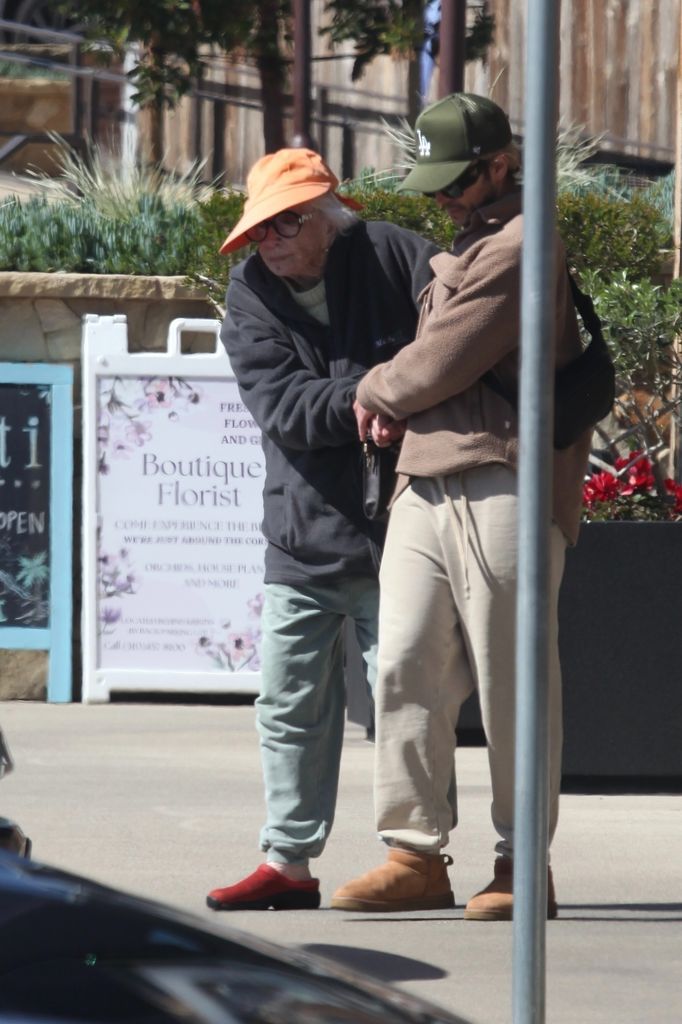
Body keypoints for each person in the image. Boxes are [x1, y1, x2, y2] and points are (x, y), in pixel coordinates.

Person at [331, 93, 591, 920]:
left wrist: (375, 388)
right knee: (403, 661)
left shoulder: (523, 245)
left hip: (506, 475)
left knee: (515, 679)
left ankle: (521, 863)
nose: (440, 196)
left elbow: (442, 360)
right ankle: (415, 855)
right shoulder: (471, 245)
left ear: (500, 167)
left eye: (454, 180)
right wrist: (393, 394)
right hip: (427, 476)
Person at [206, 147, 439, 911]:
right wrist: (377, 395)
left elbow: (454, 351)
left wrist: (390, 390)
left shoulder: (399, 254)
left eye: (286, 222)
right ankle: (288, 863)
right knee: (287, 701)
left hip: (405, 523)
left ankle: (415, 857)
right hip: (303, 530)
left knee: (404, 695)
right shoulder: (249, 297)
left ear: (330, 217)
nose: (270, 242)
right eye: (259, 230)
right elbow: (286, 411)